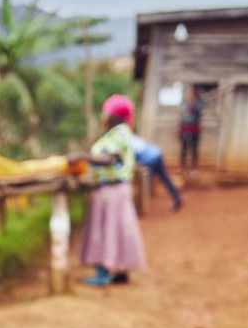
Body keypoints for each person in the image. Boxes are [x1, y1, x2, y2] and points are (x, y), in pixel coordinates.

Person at [70, 94, 147, 286]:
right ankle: (121, 272)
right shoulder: (119, 133)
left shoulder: (120, 133)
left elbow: (109, 159)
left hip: (111, 191)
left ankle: (103, 273)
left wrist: (82, 156)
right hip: (116, 190)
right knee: (120, 229)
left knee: (105, 230)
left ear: (116, 116)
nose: (102, 117)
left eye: (105, 113)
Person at [132, 134, 182, 211]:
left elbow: (134, 160)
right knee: (164, 178)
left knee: (144, 184)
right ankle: (177, 198)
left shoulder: (127, 145)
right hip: (157, 153)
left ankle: (139, 207)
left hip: (150, 159)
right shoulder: (132, 138)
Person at [179, 87, 205, 177]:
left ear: (195, 94)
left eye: (191, 93)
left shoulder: (199, 103)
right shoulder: (184, 103)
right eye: (188, 93)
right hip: (184, 129)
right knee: (184, 149)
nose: (189, 95)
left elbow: (200, 112)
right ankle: (183, 169)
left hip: (194, 129)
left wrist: (194, 104)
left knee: (194, 149)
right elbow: (182, 115)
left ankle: (194, 169)